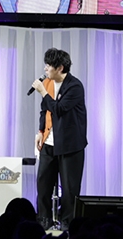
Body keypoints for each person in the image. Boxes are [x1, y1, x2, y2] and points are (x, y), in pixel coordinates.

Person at [31, 47, 87, 229]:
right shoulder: (48, 83)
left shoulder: (74, 86)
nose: (45, 69)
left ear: (60, 68)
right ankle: (44, 220)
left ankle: (67, 223)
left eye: (49, 65)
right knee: (43, 184)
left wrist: (43, 92)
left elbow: (59, 109)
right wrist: (40, 131)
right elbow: (45, 110)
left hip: (70, 145)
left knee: (70, 188)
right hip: (49, 142)